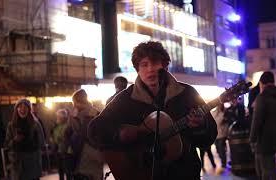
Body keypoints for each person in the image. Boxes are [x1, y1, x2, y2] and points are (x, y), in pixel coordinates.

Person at [88, 41, 218, 180]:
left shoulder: (187, 93)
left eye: (155, 62)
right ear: (137, 69)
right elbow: (94, 130)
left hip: (184, 174)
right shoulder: (125, 99)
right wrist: (119, 133)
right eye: (144, 64)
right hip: (142, 173)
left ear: (165, 65)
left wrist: (200, 126)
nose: (150, 69)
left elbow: (208, 138)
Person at [250, 71, 276, 179]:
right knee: (271, 168)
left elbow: (256, 121)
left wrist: (252, 139)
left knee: (265, 170)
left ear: (262, 83)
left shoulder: (262, 98)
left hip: (264, 140)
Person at [65, 89, 103, 180]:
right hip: (88, 156)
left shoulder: (93, 115)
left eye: (74, 102)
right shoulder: (96, 113)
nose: (73, 105)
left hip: (86, 155)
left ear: (78, 102)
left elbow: (67, 134)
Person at [4, 99, 43, 180]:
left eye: (25, 107)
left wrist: (33, 142)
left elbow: (41, 141)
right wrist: (15, 140)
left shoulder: (35, 124)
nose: (22, 109)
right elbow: (7, 144)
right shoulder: (11, 125)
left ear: (29, 109)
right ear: (16, 109)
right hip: (18, 163)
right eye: (20, 107)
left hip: (32, 161)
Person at [50, 109, 71, 180]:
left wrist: (61, 138)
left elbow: (66, 137)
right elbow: (53, 136)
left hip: (66, 151)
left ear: (64, 118)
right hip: (58, 150)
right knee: (60, 170)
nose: (58, 118)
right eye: (57, 117)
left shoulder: (68, 126)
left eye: (59, 117)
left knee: (68, 170)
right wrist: (52, 140)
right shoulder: (55, 126)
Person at [212, 104, 228, 171]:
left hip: (222, 134)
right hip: (216, 135)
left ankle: (223, 163)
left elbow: (221, 121)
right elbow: (213, 122)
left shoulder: (224, 113)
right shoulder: (214, 112)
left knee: (221, 149)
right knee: (218, 149)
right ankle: (222, 159)